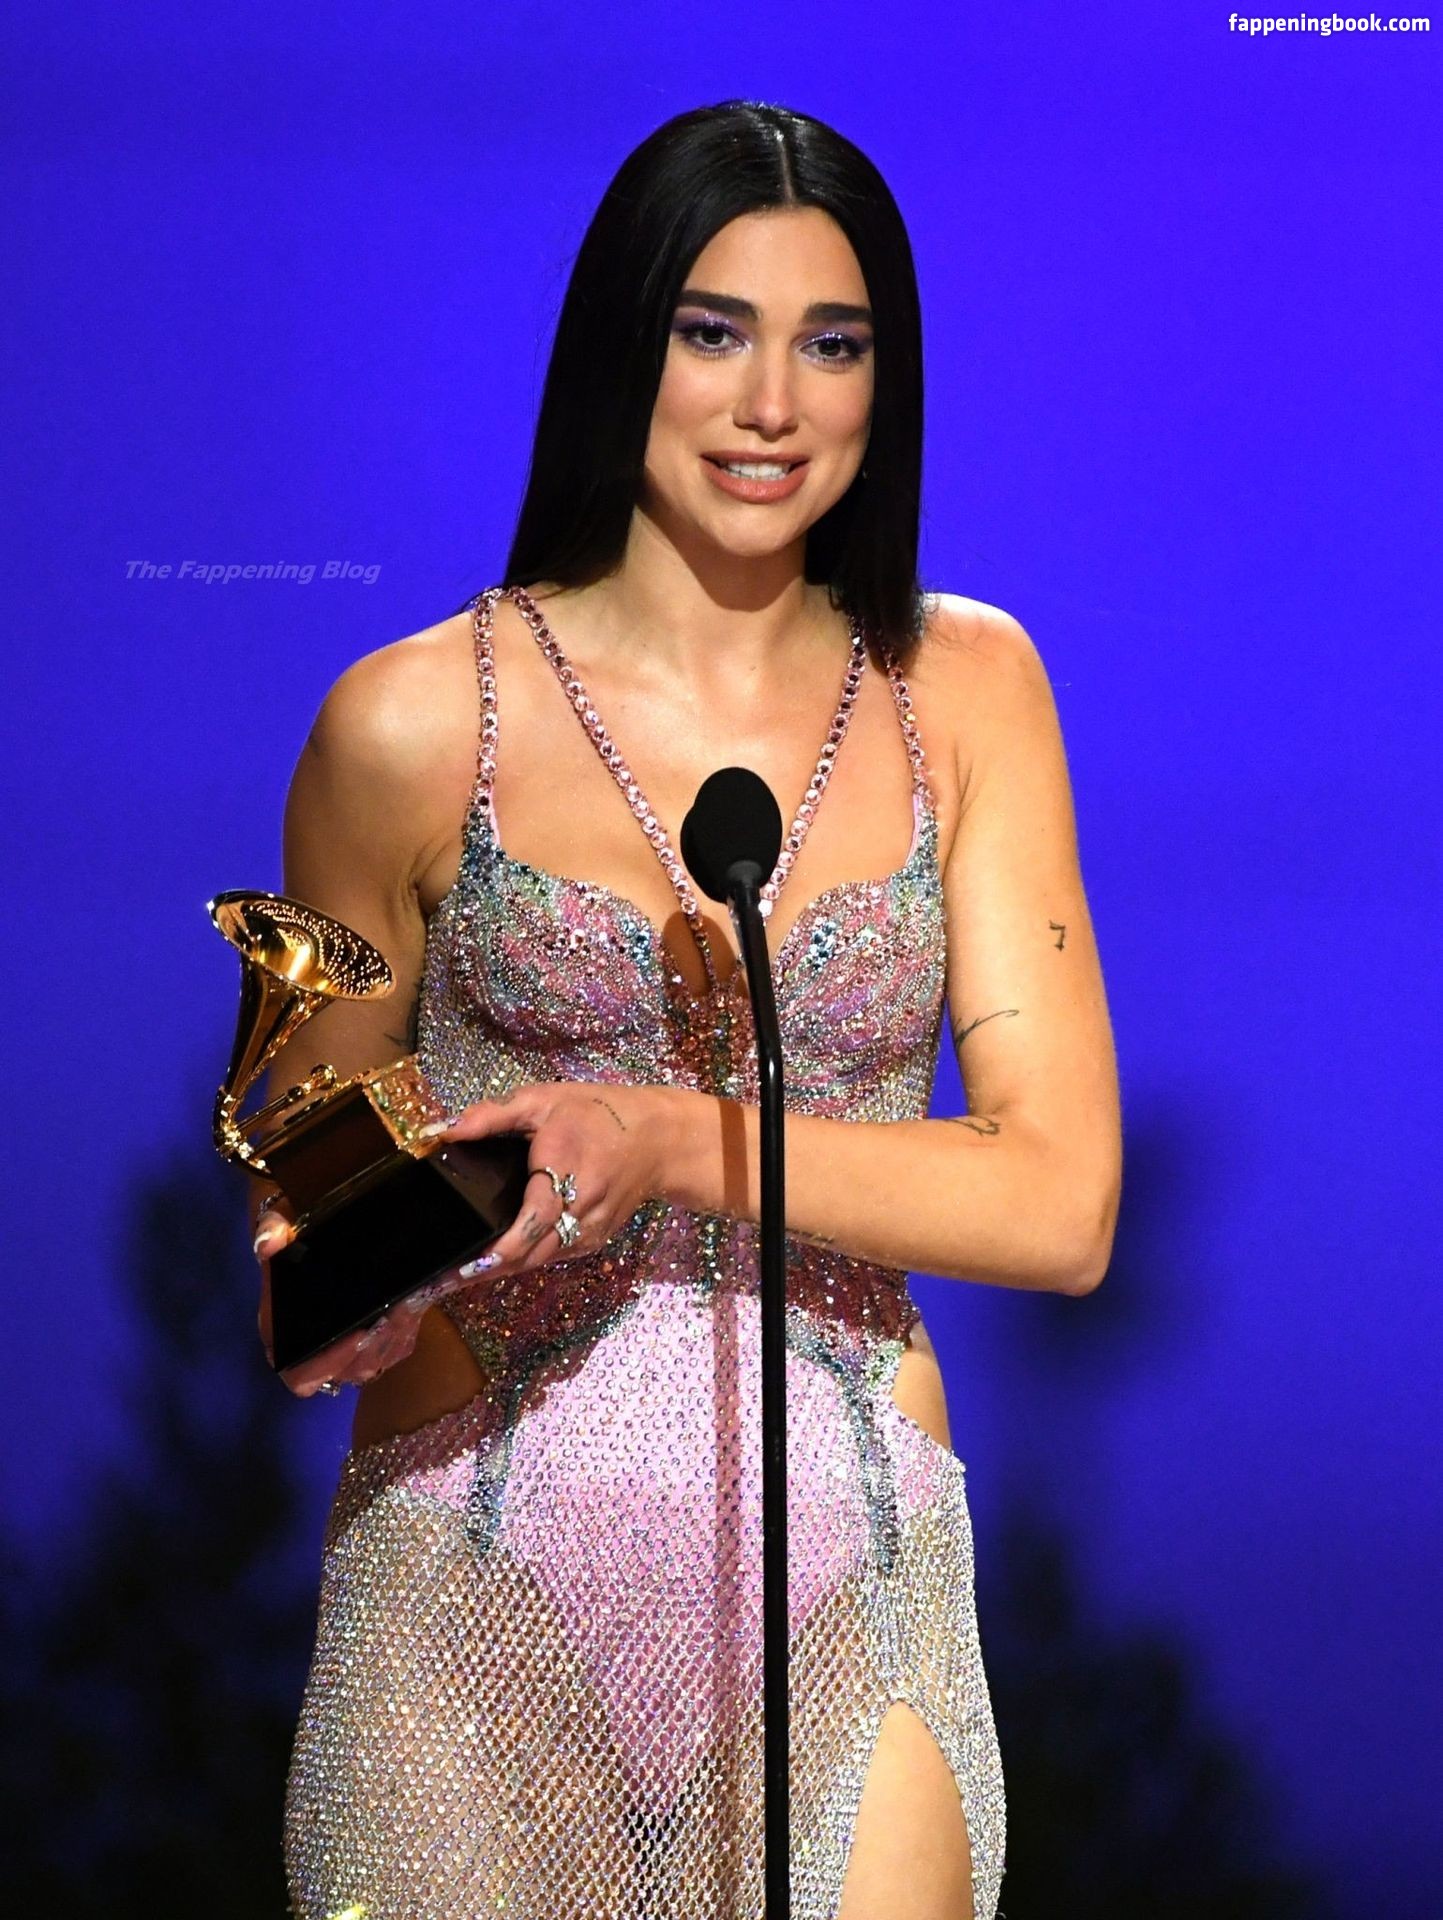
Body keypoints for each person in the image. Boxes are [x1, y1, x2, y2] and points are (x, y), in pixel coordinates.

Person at [249, 99, 1121, 1920]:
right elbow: (304, 1224)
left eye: (834, 344)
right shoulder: (406, 726)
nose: (773, 404)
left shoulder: (964, 691)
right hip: (479, 1575)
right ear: (619, 344)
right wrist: (353, 1265)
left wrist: (666, 1138)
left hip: (854, 1565)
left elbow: (1060, 1204)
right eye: (715, 331)